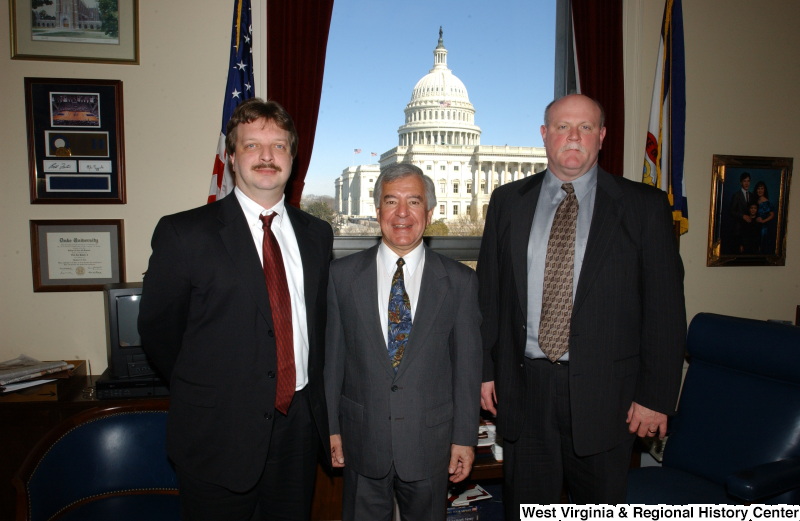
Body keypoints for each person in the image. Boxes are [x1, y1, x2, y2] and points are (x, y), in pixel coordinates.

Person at [477, 94, 686, 510]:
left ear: (602, 136)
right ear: (544, 134)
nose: (573, 137)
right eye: (561, 127)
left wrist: (656, 396)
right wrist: (484, 372)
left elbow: (665, 310)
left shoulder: (644, 206)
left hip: (608, 397)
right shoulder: (507, 202)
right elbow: (489, 296)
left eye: (585, 127)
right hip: (524, 389)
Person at [138, 98, 333, 521]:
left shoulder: (318, 234)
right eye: (252, 145)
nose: (266, 156)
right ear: (231, 157)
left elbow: (316, 329)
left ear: (293, 157)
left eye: (279, 146)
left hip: (297, 432)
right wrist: (214, 390)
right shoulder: (184, 233)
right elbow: (159, 333)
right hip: (217, 433)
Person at [325, 163, 482, 521]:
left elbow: (467, 369)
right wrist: (332, 429)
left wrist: (464, 438)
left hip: (431, 443)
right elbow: (333, 361)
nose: (401, 213)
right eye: (391, 201)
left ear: (429, 213)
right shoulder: (341, 276)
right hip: (361, 439)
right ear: (377, 210)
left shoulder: (460, 282)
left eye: (413, 202)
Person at [729, 171, 753, 252]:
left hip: (749, 229)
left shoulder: (752, 195)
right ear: (741, 182)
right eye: (744, 181)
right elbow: (731, 211)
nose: (747, 183)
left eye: (748, 181)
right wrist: (742, 216)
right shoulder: (736, 195)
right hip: (739, 229)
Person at [753, 180, 776, 254]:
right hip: (755, 226)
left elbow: (772, 215)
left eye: (762, 188)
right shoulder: (755, 200)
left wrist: (763, 221)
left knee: (761, 246)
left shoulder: (766, 202)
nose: (760, 190)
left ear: (764, 190)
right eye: (758, 188)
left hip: (763, 228)